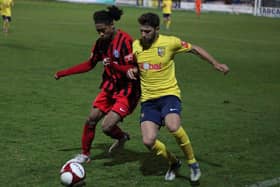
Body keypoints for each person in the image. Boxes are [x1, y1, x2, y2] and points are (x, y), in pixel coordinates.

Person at [127, 12, 229, 182]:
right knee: (148, 140)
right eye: (141, 31)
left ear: (157, 29)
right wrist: (133, 70)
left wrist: (215, 63)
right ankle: (173, 163)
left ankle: (193, 163)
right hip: (148, 100)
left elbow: (194, 48)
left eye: (147, 31)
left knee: (173, 126)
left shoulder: (170, 42)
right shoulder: (136, 45)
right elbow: (140, 67)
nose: (143, 35)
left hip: (169, 94)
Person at [54, 6, 140, 164]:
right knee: (91, 119)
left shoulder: (126, 41)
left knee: (107, 127)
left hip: (127, 91)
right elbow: (89, 64)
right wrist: (63, 73)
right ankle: (85, 155)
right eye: (97, 31)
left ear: (111, 25)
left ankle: (121, 137)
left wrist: (115, 65)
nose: (100, 34)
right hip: (109, 87)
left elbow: (135, 68)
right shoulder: (100, 43)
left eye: (103, 30)